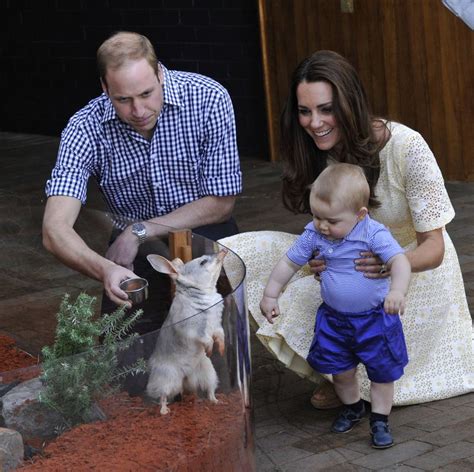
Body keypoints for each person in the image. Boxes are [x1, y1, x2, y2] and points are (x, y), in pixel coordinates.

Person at [219, 50, 474, 408]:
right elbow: (324, 226)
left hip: (411, 270)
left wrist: (390, 263)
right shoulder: (317, 150)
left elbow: (435, 247)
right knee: (241, 253)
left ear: (350, 103)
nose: (314, 122)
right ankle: (339, 373)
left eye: (326, 109)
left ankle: (351, 379)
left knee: (345, 317)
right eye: (304, 111)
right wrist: (321, 254)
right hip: (345, 259)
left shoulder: (407, 147)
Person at [42, 31, 242, 316]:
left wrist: (139, 230)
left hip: (206, 237)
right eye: (123, 99)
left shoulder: (209, 98)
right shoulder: (84, 128)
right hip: (133, 256)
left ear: (159, 73)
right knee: (125, 354)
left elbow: (222, 203)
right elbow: (54, 230)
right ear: (104, 87)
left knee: (218, 348)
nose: (138, 110)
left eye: (146, 93)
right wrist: (106, 269)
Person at [260, 163, 411, 448]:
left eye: (331, 220)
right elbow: (289, 262)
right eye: (316, 216)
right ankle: (353, 407)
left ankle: (379, 420)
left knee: (382, 373)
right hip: (334, 320)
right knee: (339, 372)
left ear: (360, 214)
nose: (322, 225)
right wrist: (270, 294)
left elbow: (399, 261)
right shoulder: (314, 234)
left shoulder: (373, 233)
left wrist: (398, 291)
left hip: (375, 320)